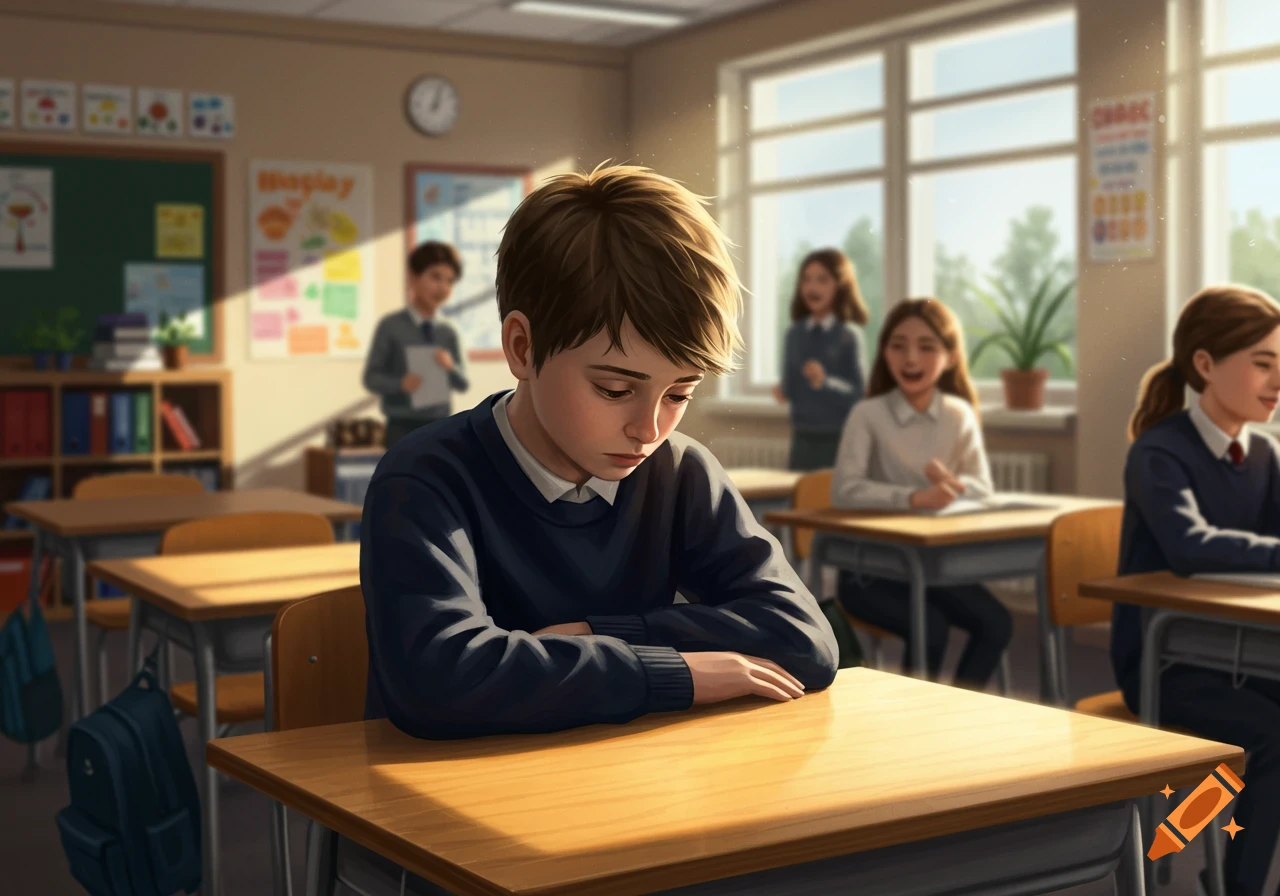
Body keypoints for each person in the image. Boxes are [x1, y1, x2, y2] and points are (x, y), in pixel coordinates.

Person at [361, 163, 839, 741]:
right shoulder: (426, 476)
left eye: (680, 393)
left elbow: (803, 639)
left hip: (619, 789)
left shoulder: (678, 471)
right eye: (614, 389)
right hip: (435, 804)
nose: (649, 428)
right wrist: (674, 673)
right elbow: (439, 679)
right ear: (522, 347)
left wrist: (599, 632)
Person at [1120, 284, 1280, 896]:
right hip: (1169, 661)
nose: (1275, 379)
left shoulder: (1263, 454)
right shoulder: (1159, 452)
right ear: (1206, 365)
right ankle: (1217, 864)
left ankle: (1204, 842)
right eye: (1262, 363)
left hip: (1242, 649)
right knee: (1269, 737)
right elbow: (1191, 547)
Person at [830, 297, 1012, 689]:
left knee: (997, 623)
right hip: (871, 571)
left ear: (948, 356)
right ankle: (916, 725)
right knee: (930, 628)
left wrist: (954, 487)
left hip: (936, 568)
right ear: (885, 353)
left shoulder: (958, 414)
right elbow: (845, 490)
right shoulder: (868, 415)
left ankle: (961, 710)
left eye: (927, 346)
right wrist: (913, 498)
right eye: (898, 345)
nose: (911, 358)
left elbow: (982, 487)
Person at [363, 241, 469, 448]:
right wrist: (400, 384)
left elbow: (462, 383)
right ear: (413, 277)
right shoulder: (390, 326)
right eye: (435, 277)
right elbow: (371, 378)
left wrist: (450, 367)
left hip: (439, 424)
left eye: (449, 281)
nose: (443, 288)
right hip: (401, 426)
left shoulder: (448, 332)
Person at [772, 248, 868, 471]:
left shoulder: (849, 335)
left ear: (840, 286)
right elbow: (792, 386)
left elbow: (858, 394)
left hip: (837, 440)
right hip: (802, 438)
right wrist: (784, 391)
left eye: (822, 280)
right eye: (806, 280)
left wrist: (825, 383)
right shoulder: (794, 335)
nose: (812, 287)